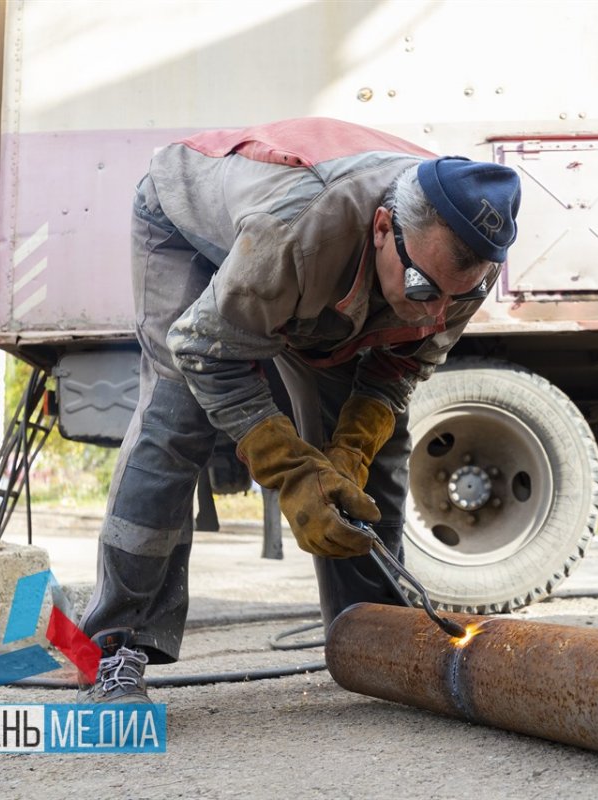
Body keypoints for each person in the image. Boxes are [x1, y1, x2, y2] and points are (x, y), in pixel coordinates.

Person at [77, 117, 521, 703]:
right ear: (384, 228)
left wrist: (347, 453)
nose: (434, 315)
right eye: (421, 291)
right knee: (176, 421)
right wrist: (294, 474)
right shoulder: (301, 228)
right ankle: (116, 645)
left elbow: (399, 371)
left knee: (375, 447)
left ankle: (375, 635)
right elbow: (205, 353)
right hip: (191, 227)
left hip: (321, 263)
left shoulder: (457, 265)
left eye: (455, 297)